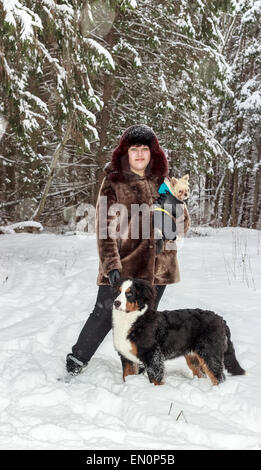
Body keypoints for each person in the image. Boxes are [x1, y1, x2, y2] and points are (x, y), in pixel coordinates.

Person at [66, 124, 190, 375]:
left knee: (145, 318)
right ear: (126, 152)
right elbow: (104, 228)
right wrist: (111, 265)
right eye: (135, 149)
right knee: (103, 316)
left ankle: (140, 363)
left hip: (158, 266)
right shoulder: (113, 182)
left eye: (145, 149)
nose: (141, 154)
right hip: (124, 263)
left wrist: (174, 213)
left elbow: (182, 225)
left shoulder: (162, 181)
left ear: (152, 152)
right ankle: (77, 360)